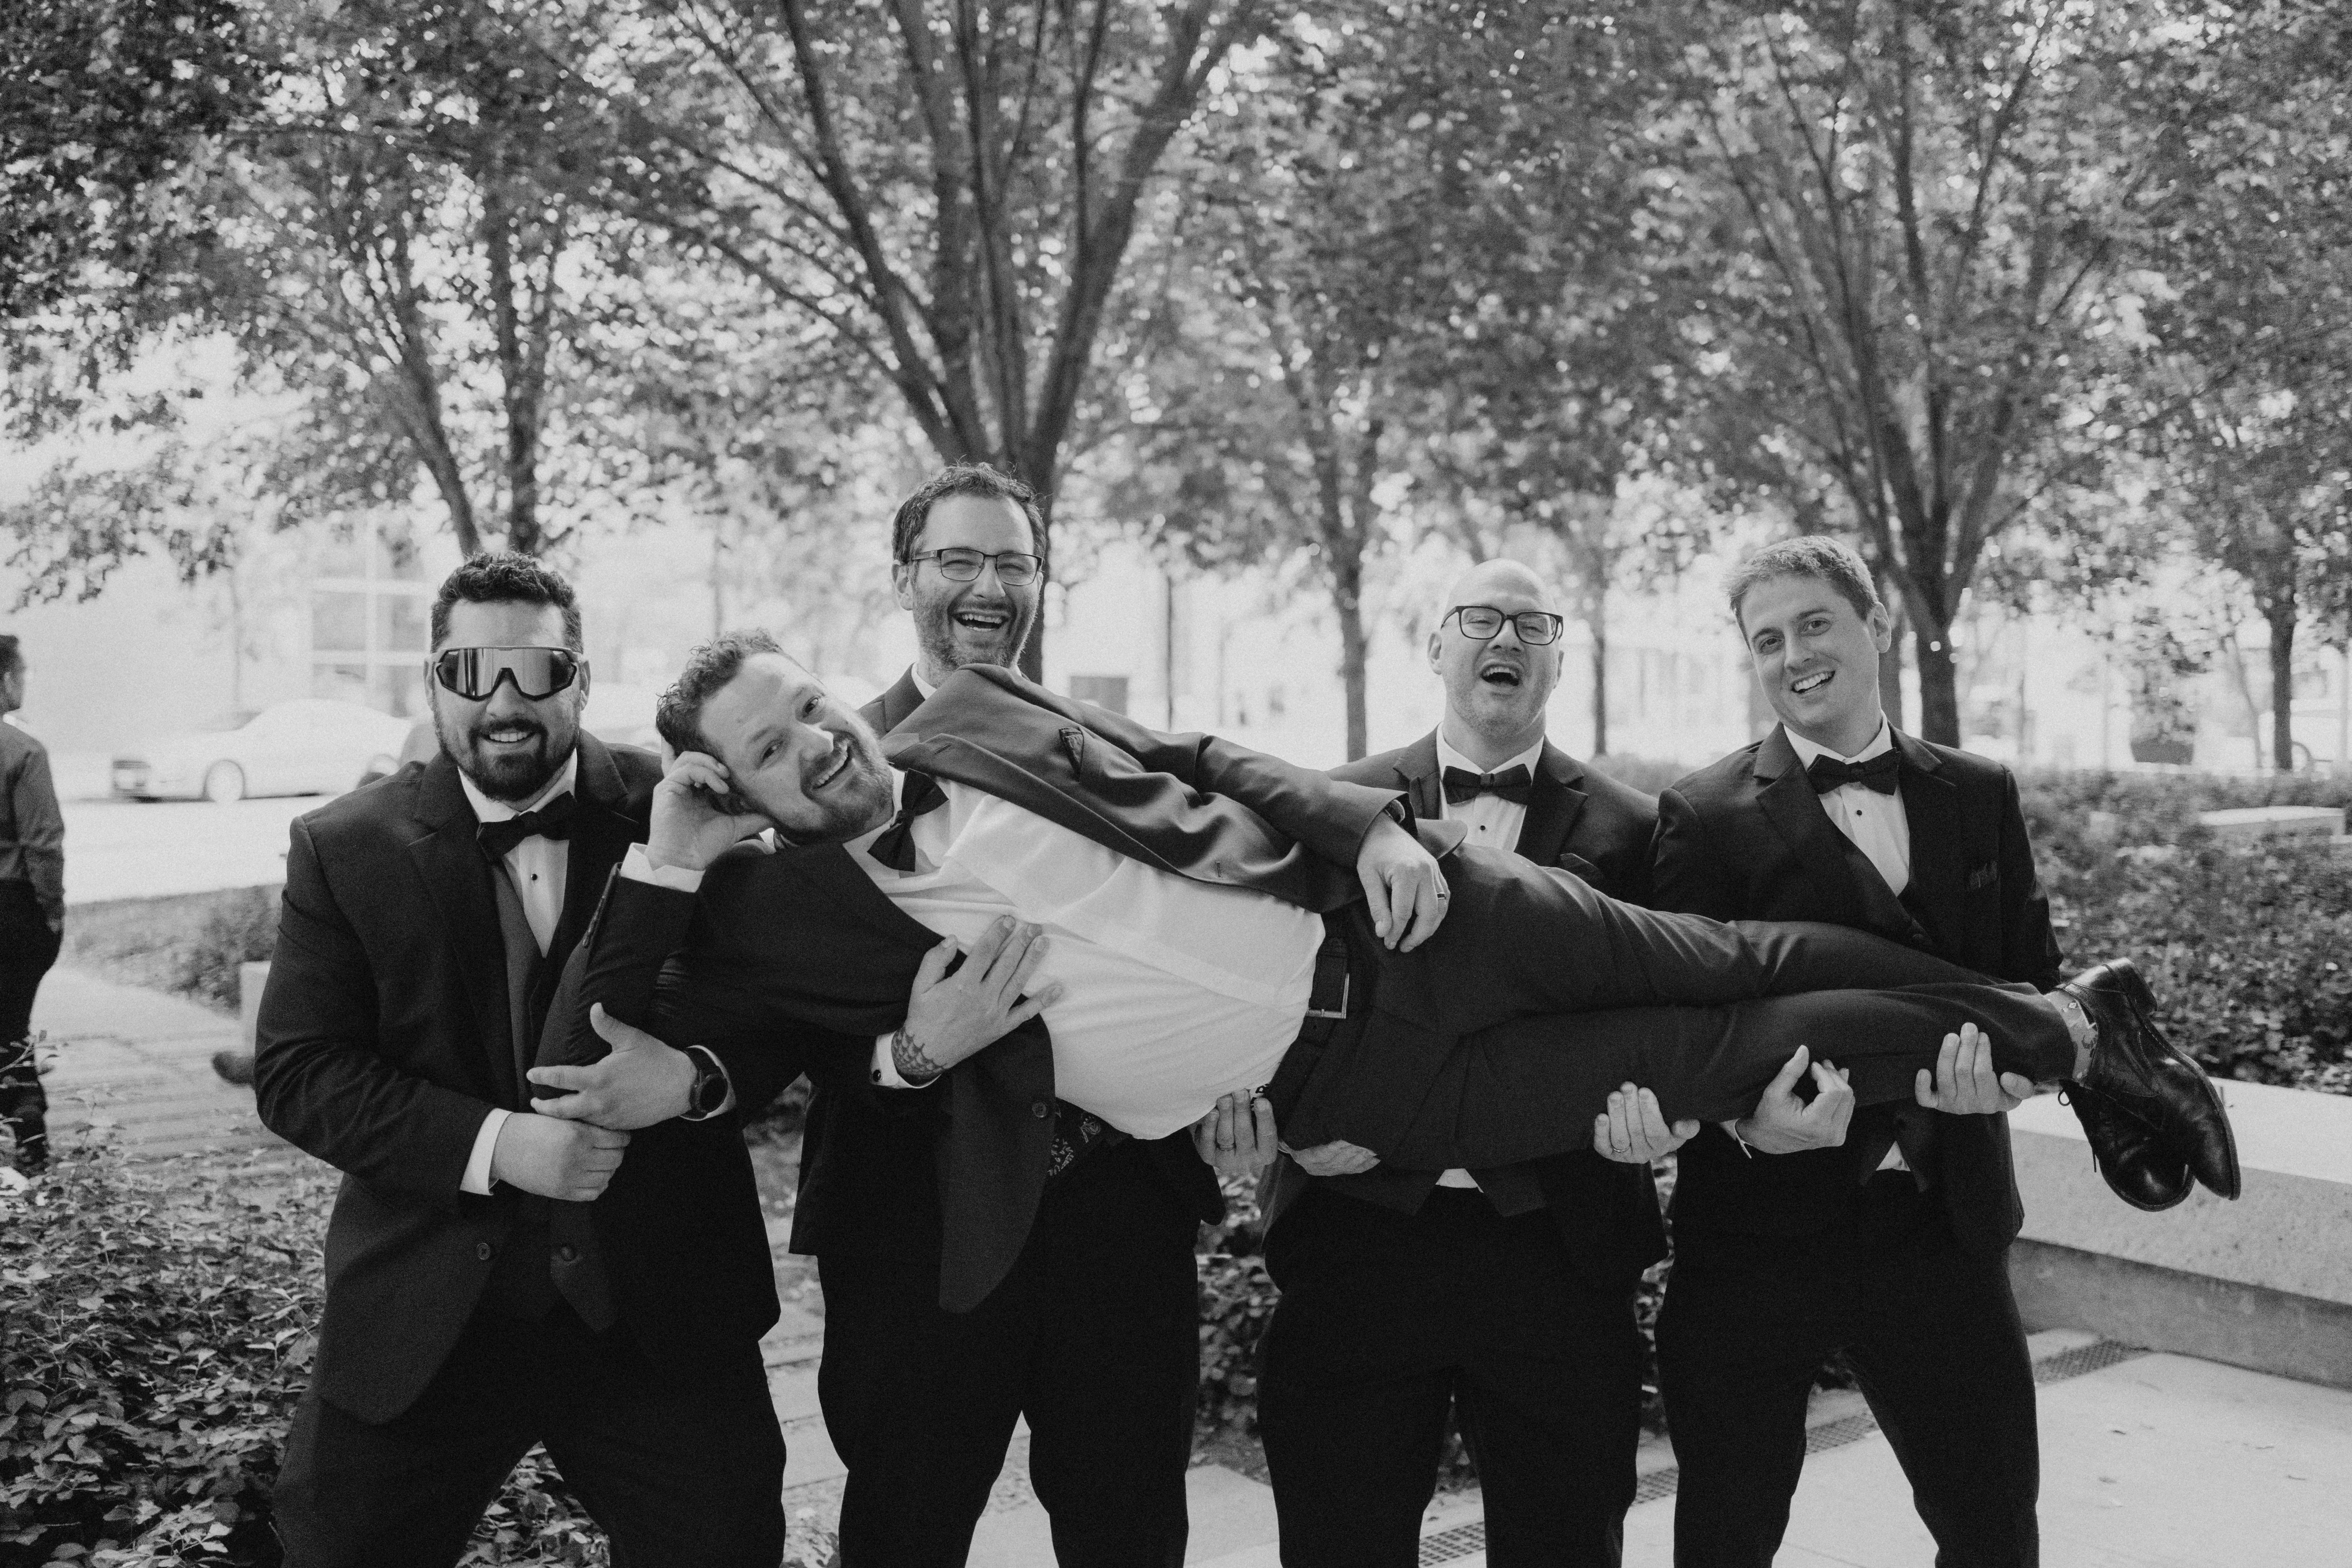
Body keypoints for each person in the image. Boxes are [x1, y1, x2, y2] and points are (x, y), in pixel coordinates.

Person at [1615, 537, 2232, 1568]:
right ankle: (2112, 1047)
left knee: (1994, 1536)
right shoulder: (1705, 814)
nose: (1793, 654)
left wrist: (2008, 1079)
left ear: (1877, 628)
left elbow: (2023, 968)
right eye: (1767, 639)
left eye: (1815, 623)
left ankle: (2093, 1046)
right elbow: (1680, 1023)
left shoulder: (1977, 790)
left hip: (1942, 1225)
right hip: (1758, 1240)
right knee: (1723, 1541)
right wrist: (1742, 1121)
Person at [251, 555, 814, 1567]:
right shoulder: (343, 846)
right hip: (429, 1312)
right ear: (433, 679)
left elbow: (773, 1010)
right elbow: (300, 1073)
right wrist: (502, 1144)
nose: (506, 701)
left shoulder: (686, 804)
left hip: (660, 1310)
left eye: (539, 670)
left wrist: (693, 1079)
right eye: (473, 670)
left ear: (583, 679)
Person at [1254, 560, 1671, 1567]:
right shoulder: (1334, 803)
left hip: (1558, 1252)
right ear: (1434, 646)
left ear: (1560, 659)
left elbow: (1671, 1017)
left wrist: (1670, 1118)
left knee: (1567, 1546)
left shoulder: (1640, 829)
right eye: (1479, 619)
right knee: (1338, 1542)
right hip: (1360, 1243)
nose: (1506, 640)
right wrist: (1290, 1126)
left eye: (1533, 624)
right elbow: (1268, 999)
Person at [0, 634, 65, 1175]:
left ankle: (27, 1124)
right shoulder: (24, 752)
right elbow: (43, 845)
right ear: (4, 680)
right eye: (22, 672)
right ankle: (30, 1134)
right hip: (12, 909)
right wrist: (53, 912)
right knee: (11, 1026)